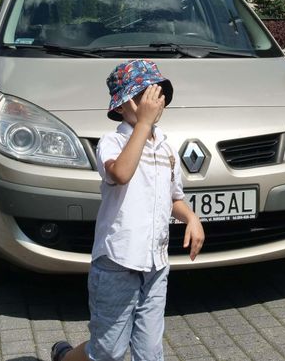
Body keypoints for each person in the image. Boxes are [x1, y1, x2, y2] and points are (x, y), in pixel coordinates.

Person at [53, 60, 205, 361]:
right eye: (141, 97)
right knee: (108, 350)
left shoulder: (166, 148)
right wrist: (144, 125)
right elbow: (120, 173)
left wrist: (191, 217)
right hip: (117, 262)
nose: (151, 103)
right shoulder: (113, 141)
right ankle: (65, 357)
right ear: (121, 106)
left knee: (150, 351)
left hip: (156, 264)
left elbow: (173, 198)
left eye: (156, 94)